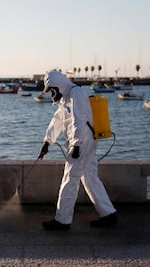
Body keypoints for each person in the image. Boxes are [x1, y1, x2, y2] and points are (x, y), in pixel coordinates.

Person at [38, 70, 118, 231]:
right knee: (89, 177)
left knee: (70, 178)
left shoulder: (76, 93)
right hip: (83, 142)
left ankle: (62, 220)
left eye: (52, 90)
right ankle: (109, 214)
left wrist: (76, 145)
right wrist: (47, 141)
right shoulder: (66, 98)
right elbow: (58, 120)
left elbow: (79, 120)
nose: (52, 94)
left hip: (82, 142)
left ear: (58, 86)